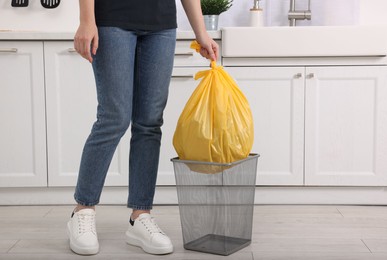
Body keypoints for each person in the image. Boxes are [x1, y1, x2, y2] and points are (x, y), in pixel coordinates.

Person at [66, 0, 219, 256]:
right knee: (113, 119)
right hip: (112, 18)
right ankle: (82, 210)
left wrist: (200, 31)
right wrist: (86, 20)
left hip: (161, 25)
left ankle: (140, 215)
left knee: (149, 123)